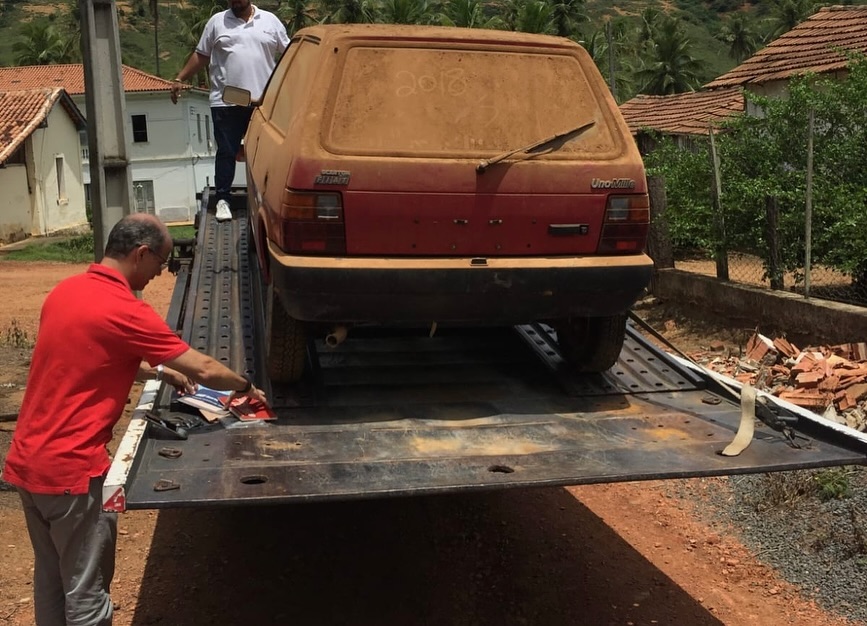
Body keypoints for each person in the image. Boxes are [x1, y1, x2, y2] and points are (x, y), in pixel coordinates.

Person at [2, 213, 268, 625]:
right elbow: (202, 367)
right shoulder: (125, 309)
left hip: (27, 463)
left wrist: (156, 371)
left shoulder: (65, 292)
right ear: (140, 253)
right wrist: (244, 386)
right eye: (160, 264)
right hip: (73, 474)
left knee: (53, 578)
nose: (159, 275)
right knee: (88, 595)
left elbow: (88, 356)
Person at [170, 0, 289, 223]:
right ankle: (222, 200)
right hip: (226, 102)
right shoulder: (217, 22)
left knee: (264, 153)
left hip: (262, 103)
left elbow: (289, 54)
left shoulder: (270, 21)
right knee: (226, 151)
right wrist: (180, 78)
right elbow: (201, 55)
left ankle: (268, 199)